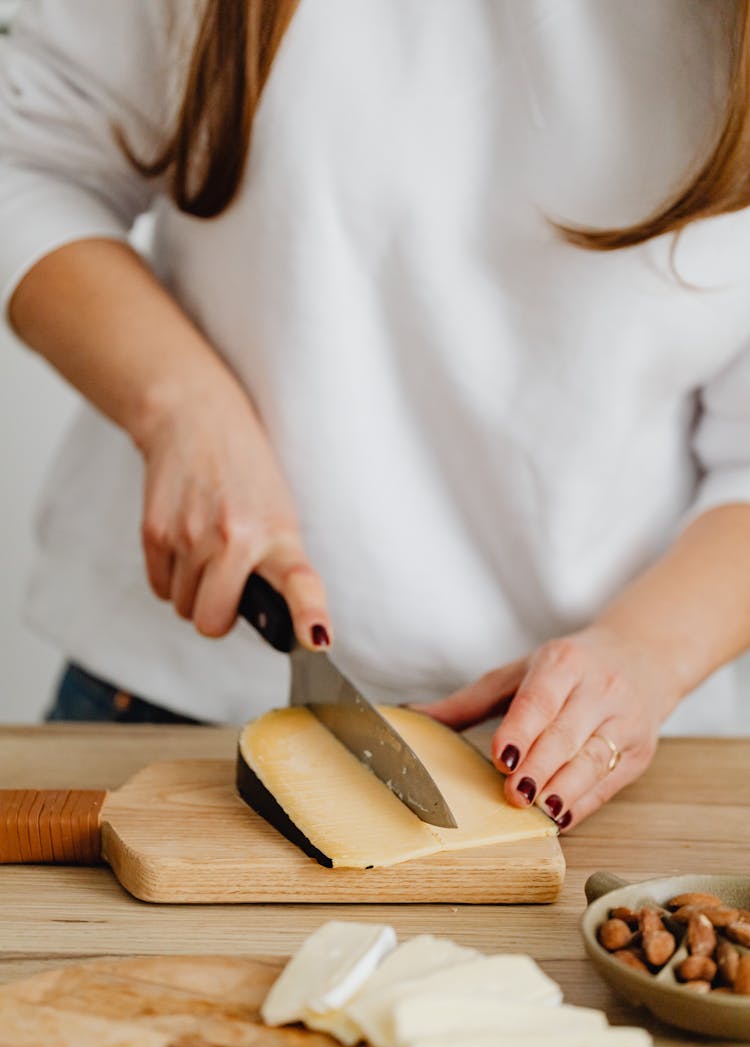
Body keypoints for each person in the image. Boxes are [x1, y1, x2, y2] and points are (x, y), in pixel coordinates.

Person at [2, 0, 750, 833]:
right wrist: (180, 403)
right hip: (174, 718)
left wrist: (644, 654)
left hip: (607, 770)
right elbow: (27, 158)